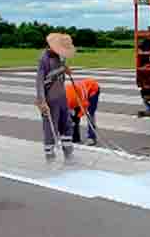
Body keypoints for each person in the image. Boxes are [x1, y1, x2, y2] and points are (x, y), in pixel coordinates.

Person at [35, 33, 76, 161]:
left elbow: (61, 76)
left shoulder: (61, 58)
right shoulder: (44, 59)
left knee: (67, 124)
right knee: (50, 127)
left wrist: (65, 70)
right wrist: (42, 101)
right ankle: (50, 155)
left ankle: (68, 152)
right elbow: (39, 81)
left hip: (62, 97)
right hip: (50, 99)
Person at [66, 78, 101, 146]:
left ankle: (92, 137)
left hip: (93, 90)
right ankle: (75, 138)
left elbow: (85, 105)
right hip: (78, 95)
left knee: (90, 114)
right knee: (73, 117)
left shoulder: (73, 97)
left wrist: (78, 115)